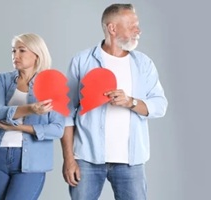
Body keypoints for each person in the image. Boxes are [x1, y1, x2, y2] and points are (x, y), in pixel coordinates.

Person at [61, 4, 168, 200]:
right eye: (132, 25)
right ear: (112, 28)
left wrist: (131, 102)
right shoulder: (82, 61)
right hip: (86, 159)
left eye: (138, 25)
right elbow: (66, 114)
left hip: (131, 162)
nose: (139, 30)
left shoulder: (144, 64)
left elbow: (160, 105)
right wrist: (68, 159)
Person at [0, 33, 65, 200]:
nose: (15, 55)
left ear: (37, 54)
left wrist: (17, 126)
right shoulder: (2, 79)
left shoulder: (52, 85)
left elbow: (57, 129)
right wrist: (30, 109)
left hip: (31, 163)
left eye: (22, 50)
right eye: (13, 51)